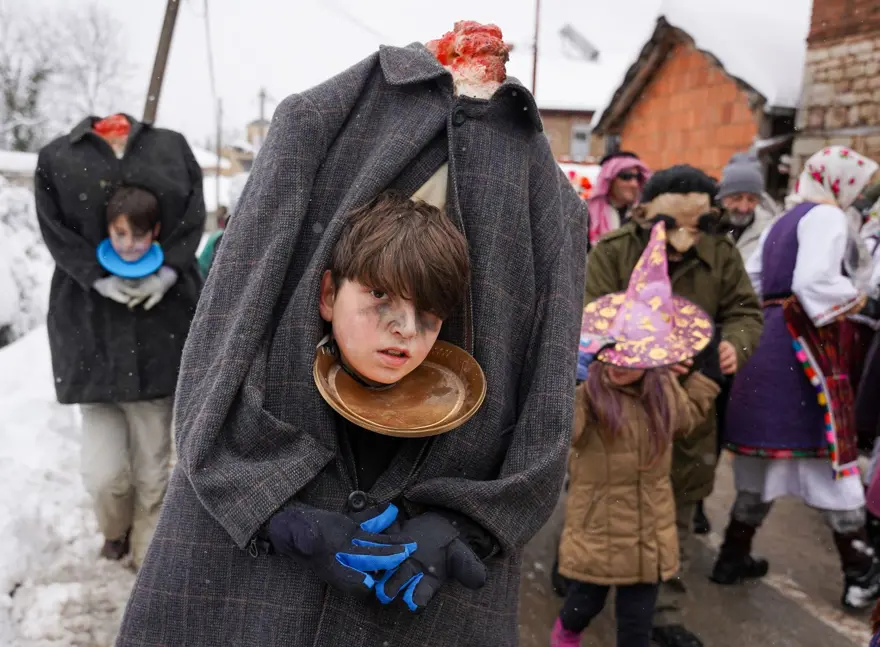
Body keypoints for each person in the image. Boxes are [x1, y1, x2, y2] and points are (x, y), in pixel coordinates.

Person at [116, 21, 587, 647]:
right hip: (257, 567)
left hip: (423, 582)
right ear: (330, 292)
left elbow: (547, 399)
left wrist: (473, 520)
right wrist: (272, 504)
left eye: (424, 314)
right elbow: (225, 336)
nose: (403, 327)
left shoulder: (551, 204)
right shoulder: (323, 121)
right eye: (382, 302)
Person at [584, 164, 763, 647]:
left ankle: (662, 611)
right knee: (603, 497)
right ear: (650, 215)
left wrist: (735, 346)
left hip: (690, 407)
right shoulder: (615, 251)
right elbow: (591, 316)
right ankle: (584, 579)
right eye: (673, 224)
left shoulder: (721, 255)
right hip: (619, 401)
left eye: (696, 225)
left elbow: (745, 311)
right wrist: (642, 359)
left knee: (675, 510)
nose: (685, 237)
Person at [34, 113, 205, 569]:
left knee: (153, 469)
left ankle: (148, 563)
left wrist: (168, 270)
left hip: (160, 329)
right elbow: (55, 231)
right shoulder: (57, 157)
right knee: (105, 474)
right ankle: (116, 530)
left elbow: (192, 219)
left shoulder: (171, 146)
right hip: (92, 334)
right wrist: (94, 277)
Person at [715, 146, 880, 611]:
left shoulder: (780, 223)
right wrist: (862, 301)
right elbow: (813, 283)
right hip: (802, 345)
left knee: (760, 460)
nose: (858, 194)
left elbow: (749, 281)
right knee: (827, 457)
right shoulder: (827, 217)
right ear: (838, 182)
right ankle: (859, 572)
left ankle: (732, 556)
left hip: (766, 346)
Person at [551, 222, 722, 647]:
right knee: (581, 604)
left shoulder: (662, 389)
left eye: (634, 355)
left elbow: (684, 422)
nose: (620, 362)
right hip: (600, 528)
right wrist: (562, 385)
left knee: (636, 626)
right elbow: (562, 434)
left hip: (649, 529)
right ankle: (565, 633)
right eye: (614, 352)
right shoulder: (588, 394)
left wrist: (700, 379)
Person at [693, 151, 779, 535]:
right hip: (699, 332)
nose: (744, 206)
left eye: (750, 199)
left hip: (736, 336)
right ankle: (687, 499)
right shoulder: (706, 228)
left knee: (716, 426)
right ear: (723, 196)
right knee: (689, 422)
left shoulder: (770, 228)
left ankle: (696, 498)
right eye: (737, 198)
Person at [587, 151, 651, 245]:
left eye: (637, 177)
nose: (634, 184)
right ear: (609, 180)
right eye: (626, 177)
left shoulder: (646, 216)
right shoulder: (587, 216)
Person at [197, 205, 228, 278]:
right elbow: (214, 268)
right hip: (203, 277)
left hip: (200, 272)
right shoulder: (221, 237)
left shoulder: (216, 234)